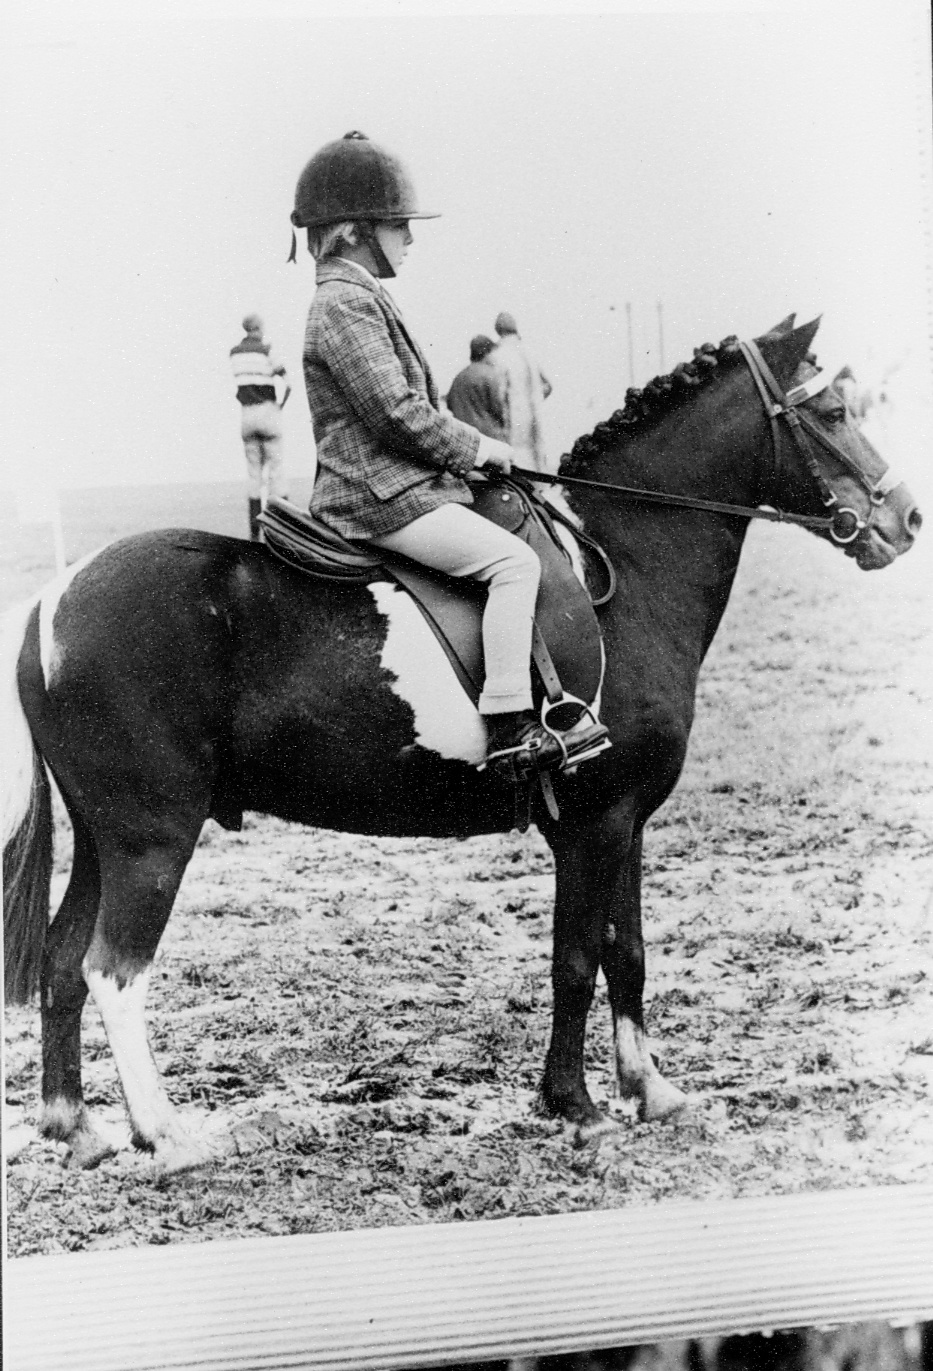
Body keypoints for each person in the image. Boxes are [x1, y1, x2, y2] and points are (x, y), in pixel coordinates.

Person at [288, 130, 606, 776]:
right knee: (514, 564)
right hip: (377, 497)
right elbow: (396, 414)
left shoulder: (360, 297)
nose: (410, 237)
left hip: (403, 485)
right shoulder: (341, 304)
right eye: (398, 224)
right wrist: (481, 447)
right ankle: (512, 724)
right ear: (352, 231)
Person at [230, 314, 292, 539]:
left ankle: (254, 532)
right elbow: (288, 383)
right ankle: (284, 528)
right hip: (268, 411)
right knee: (276, 471)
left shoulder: (235, 354)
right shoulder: (267, 351)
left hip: (246, 414)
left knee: (253, 474)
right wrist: (280, 407)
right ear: (258, 328)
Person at [493, 311, 554, 475]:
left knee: (517, 459)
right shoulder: (530, 352)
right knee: (537, 459)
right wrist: (535, 398)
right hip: (534, 413)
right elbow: (548, 385)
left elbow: (498, 392)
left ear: (498, 330)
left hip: (512, 416)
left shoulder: (497, 355)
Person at [445, 335, 508, 441]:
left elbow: (450, 404)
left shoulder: (459, 377)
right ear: (487, 352)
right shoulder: (491, 375)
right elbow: (500, 407)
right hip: (489, 438)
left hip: (464, 439)